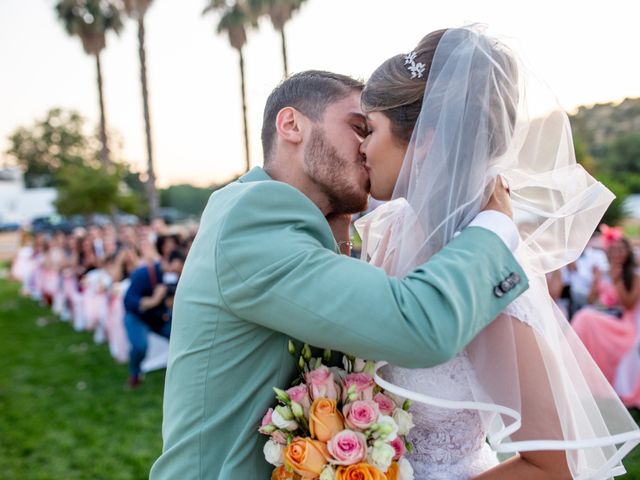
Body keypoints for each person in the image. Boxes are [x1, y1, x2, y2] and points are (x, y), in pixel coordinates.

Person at [149, 71, 527, 479]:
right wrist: (496, 226)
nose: (366, 147)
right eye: (357, 128)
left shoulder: (294, 223)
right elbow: (417, 326)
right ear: (291, 125)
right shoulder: (253, 216)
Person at [355, 26, 640, 479]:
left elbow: (554, 466)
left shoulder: (488, 277)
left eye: (369, 129)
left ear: (425, 137)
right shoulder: (390, 232)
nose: (361, 147)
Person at [572, 230, 640, 385]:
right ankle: (578, 371)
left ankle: (579, 370)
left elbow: (629, 305)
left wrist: (617, 281)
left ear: (628, 253)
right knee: (584, 316)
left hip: (623, 323)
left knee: (584, 317)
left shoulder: (634, 277)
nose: (617, 253)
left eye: (621, 250)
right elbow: (591, 301)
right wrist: (595, 283)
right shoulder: (602, 273)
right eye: (613, 250)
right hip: (603, 316)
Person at [123, 248, 184, 388]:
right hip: (137, 317)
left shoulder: (178, 277)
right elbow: (129, 301)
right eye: (174, 270)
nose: (175, 274)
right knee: (140, 346)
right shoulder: (143, 273)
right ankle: (135, 374)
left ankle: (179, 374)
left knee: (180, 338)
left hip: (160, 318)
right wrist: (153, 300)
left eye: (178, 272)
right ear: (165, 262)